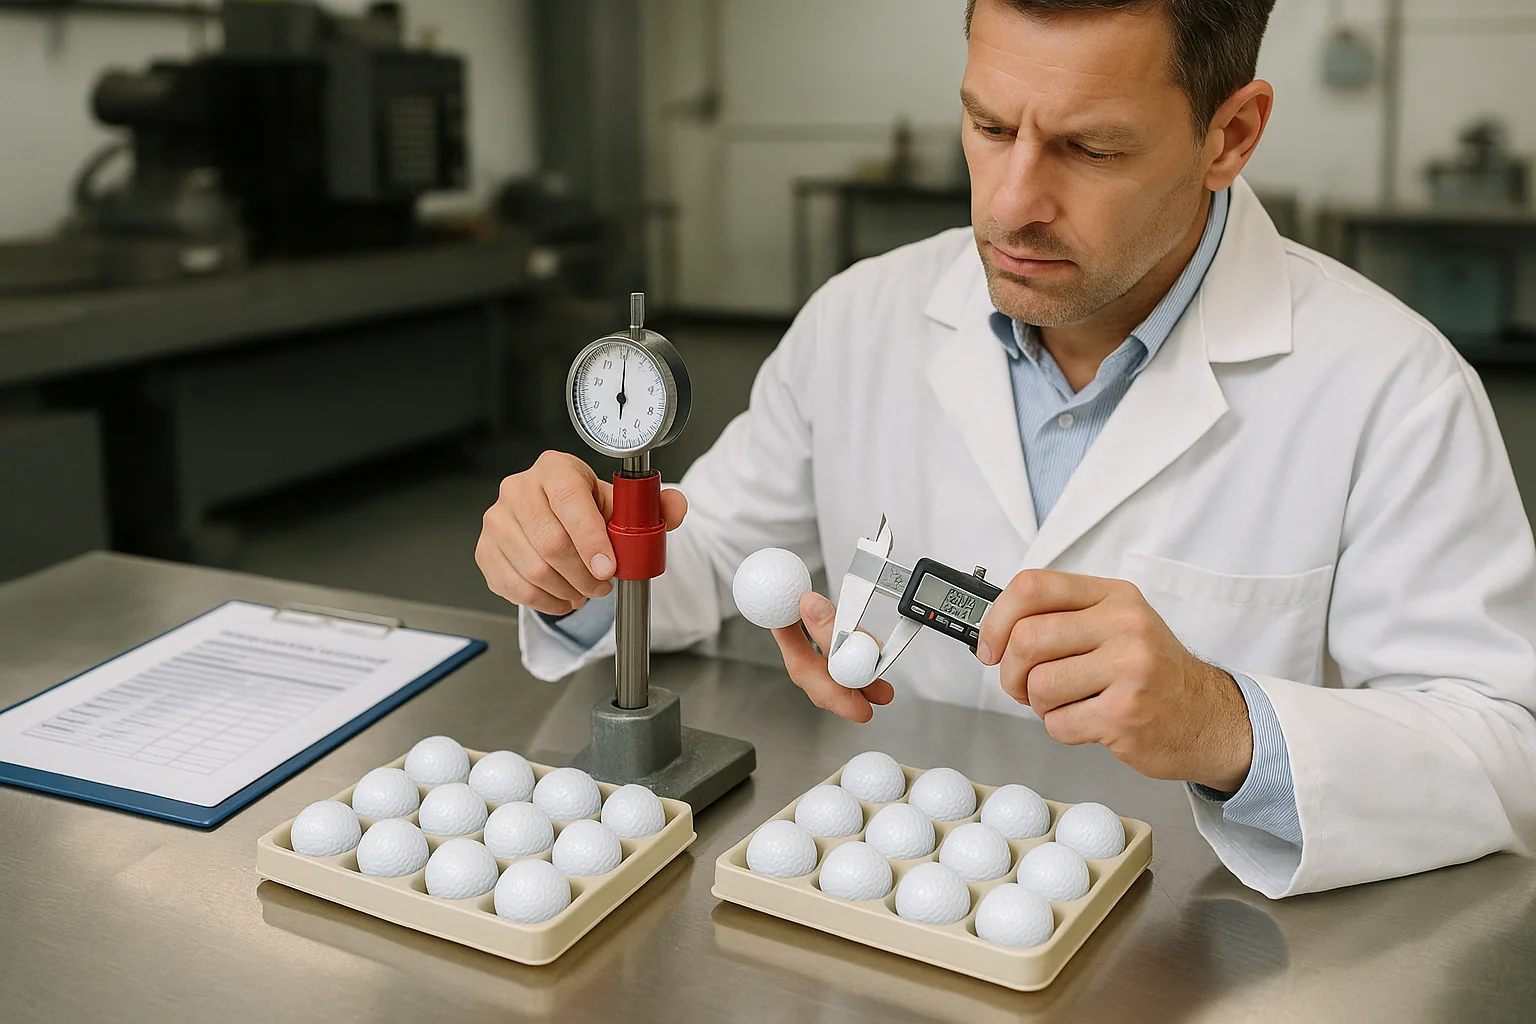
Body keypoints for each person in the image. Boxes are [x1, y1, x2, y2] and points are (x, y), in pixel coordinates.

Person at [476, 0, 1536, 898]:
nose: (1014, 203)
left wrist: (1227, 725)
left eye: (1091, 147)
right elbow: (706, 559)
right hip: (884, 894)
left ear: (1232, 133)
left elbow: (1507, 747)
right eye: (989, 127)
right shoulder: (860, 320)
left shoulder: (1393, 386)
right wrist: (578, 561)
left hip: (1198, 944)